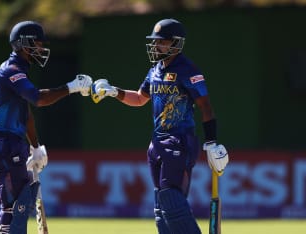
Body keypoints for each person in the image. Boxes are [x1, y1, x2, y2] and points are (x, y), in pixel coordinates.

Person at [90, 18, 229, 234]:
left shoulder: (188, 69)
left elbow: (206, 106)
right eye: (155, 42)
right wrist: (114, 91)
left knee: (171, 200)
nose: (156, 46)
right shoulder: (155, 70)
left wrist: (212, 143)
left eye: (161, 42)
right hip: (157, 143)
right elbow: (139, 98)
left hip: (179, 141)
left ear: (175, 43)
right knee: (161, 210)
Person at [0, 20, 92, 234]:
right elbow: (37, 99)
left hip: (7, 142)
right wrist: (72, 87)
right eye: (38, 44)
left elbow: (26, 115)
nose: (41, 49)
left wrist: (35, 147)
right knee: (16, 206)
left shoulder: (18, 70)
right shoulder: (12, 71)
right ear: (23, 44)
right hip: (2, 142)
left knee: (16, 202)